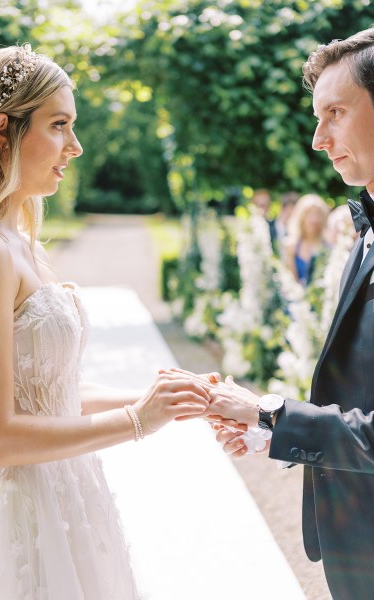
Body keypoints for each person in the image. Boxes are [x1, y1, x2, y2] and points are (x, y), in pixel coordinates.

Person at [0, 44, 211, 600]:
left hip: (68, 494)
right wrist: (135, 420)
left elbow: (46, 391)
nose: (75, 147)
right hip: (19, 512)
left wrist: (162, 397)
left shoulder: (19, 239)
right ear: (3, 129)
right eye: (59, 126)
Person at [197, 26, 374, 600]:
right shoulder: (362, 230)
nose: (318, 139)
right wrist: (271, 433)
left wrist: (272, 412)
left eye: (336, 113)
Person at [284, 193, 330, 286]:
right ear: (301, 217)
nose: (314, 219)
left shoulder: (328, 245)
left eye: (318, 214)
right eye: (310, 214)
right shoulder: (291, 246)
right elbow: (290, 282)